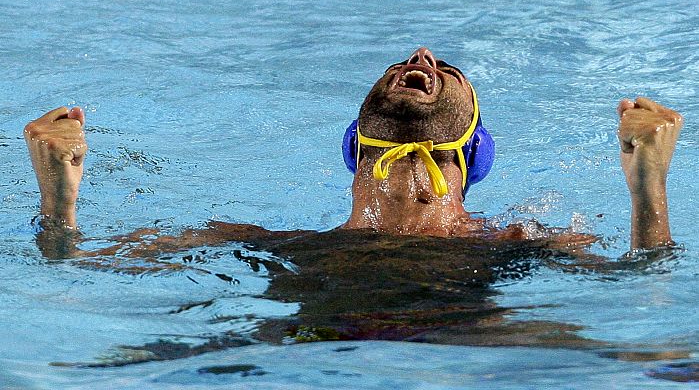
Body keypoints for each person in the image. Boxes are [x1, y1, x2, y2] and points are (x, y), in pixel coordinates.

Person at [22, 47, 684, 360]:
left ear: (466, 156)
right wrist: (62, 197)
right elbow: (76, 267)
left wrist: (647, 188)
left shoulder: (523, 242)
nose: (421, 55)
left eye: (443, 68)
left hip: (390, 340)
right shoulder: (259, 239)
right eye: (424, 62)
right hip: (387, 341)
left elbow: (642, 289)